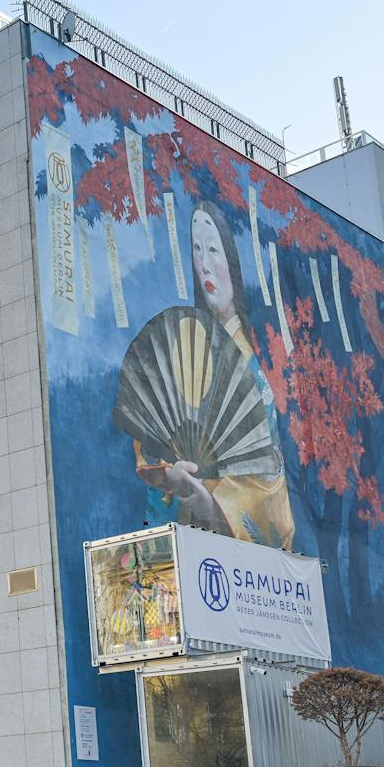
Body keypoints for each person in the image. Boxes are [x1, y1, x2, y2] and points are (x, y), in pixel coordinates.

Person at [130, 200, 295, 547]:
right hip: (187, 542)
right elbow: (154, 440)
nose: (204, 264)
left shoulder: (253, 367)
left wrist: (214, 503)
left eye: (213, 250)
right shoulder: (183, 347)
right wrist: (171, 478)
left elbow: (269, 483)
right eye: (197, 250)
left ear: (232, 261)